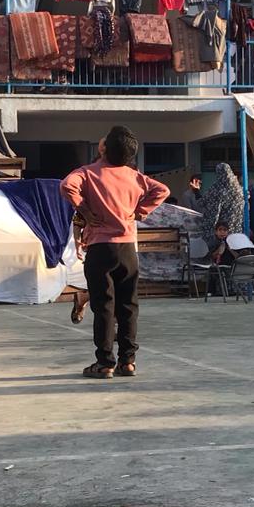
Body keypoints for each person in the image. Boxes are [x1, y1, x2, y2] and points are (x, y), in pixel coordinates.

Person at [60, 126, 169, 379]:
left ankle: (104, 362)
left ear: (103, 148)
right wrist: (139, 212)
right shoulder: (134, 176)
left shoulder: (87, 173)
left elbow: (67, 186)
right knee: (128, 305)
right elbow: (162, 190)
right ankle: (128, 361)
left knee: (104, 306)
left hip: (100, 248)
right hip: (128, 248)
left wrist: (85, 211)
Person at [198, 163, 245, 241]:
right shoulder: (239, 189)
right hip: (237, 228)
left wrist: (196, 192)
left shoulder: (217, 188)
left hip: (222, 230)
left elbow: (204, 204)